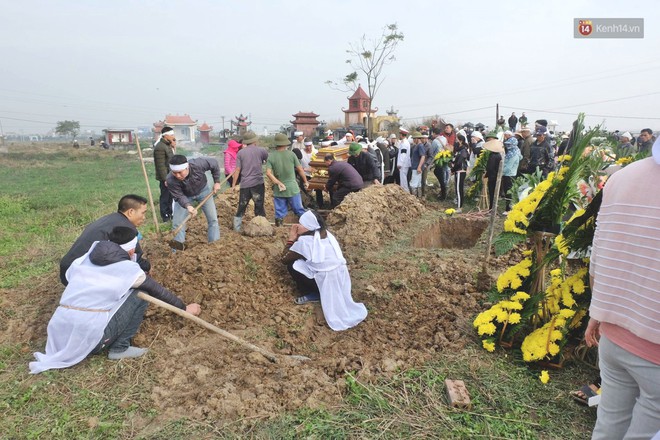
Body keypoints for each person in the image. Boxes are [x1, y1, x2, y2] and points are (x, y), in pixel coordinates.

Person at [30, 227, 201, 373]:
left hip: (58, 333)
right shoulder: (127, 269)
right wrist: (184, 308)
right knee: (139, 294)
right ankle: (120, 348)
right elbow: (157, 291)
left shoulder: (83, 260)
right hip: (90, 339)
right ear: (131, 250)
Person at [584, 142, 660, 439]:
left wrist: (598, 312)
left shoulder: (622, 177)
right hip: (654, 349)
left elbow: (599, 252)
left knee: (608, 425)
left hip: (613, 335)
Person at [281, 210, 367, 331]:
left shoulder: (305, 242)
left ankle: (313, 293)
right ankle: (321, 290)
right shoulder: (326, 234)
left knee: (292, 265)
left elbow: (284, 259)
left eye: (300, 224)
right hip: (340, 279)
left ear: (309, 227)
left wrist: (291, 239)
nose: (297, 226)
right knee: (304, 262)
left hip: (326, 279)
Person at [59, 194, 151, 286]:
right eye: (143, 213)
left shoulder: (110, 219)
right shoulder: (127, 229)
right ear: (131, 212)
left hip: (67, 269)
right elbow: (136, 261)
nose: (144, 217)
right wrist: (148, 268)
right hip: (81, 274)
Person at [167, 154, 221, 245]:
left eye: (180, 172)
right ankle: (177, 252)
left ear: (187, 167)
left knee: (213, 219)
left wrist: (217, 182)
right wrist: (188, 206)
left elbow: (214, 164)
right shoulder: (170, 180)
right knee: (177, 224)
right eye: (174, 172)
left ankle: (214, 245)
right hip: (185, 196)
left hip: (203, 191)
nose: (178, 175)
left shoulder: (198, 164)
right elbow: (179, 196)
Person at [265, 133, 309, 226]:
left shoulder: (271, 156)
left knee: (279, 213)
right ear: (286, 144)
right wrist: (305, 181)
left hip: (279, 188)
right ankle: (307, 226)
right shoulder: (291, 154)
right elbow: (300, 169)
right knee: (299, 209)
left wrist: (277, 182)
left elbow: (268, 173)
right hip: (292, 188)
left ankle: (279, 230)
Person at [231, 131, 269, 231]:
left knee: (242, 206)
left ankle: (236, 228)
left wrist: (234, 184)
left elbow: (237, 170)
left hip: (245, 184)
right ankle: (262, 227)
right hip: (258, 183)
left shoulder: (240, 153)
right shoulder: (262, 151)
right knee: (259, 205)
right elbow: (267, 161)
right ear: (255, 140)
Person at [153, 126, 176, 222]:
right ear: (165, 136)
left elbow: (172, 159)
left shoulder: (168, 145)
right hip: (165, 177)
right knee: (165, 197)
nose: (173, 136)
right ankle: (165, 216)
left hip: (170, 175)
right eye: (171, 135)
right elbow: (161, 166)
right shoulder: (160, 147)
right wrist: (165, 179)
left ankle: (170, 213)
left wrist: (174, 147)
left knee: (170, 196)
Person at [502, 131, 522, 214]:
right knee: (508, 191)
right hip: (511, 173)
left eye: (509, 144)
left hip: (509, 174)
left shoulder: (512, 154)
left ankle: (508, 209)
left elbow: (508, 167)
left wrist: (500, 172)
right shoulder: (515, 151)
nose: (507, 146)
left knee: (508, 192)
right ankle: (508, 207)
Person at [483, 135, 504, 211]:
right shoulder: (498, 155)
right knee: (494, 193)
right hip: (496, 176)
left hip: (493, 177)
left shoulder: (493, 155)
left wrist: (486, 174)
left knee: (492, 193)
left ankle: (492, 208)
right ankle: (493, 207)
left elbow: (490, 167)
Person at [452, 134, 470, 213]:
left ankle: (459, 207)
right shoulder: (460, 150)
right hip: (458, 171)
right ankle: (459, 204)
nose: (455, 141)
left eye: (456, 139)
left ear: (460, 141)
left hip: (460, 171)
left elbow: (459, 163)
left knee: (459, 189)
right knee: (458, 188)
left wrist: (453, 169)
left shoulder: (463, 150)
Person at [409, 131, 426, 198]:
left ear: (416, 139)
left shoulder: (420, 146)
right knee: (418, 184)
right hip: (416, 167)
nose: (413, 140)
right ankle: (419, 199)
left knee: (413, 184)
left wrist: (419, 167)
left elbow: (423, 156)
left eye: (414, 139)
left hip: (416, 167)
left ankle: (414, 200)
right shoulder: (417, 146)